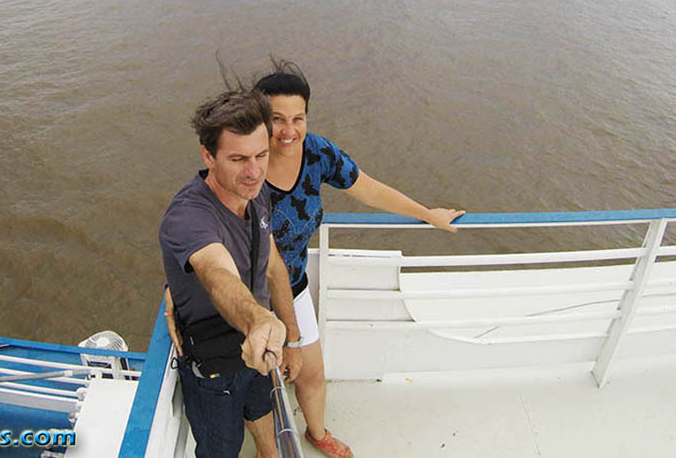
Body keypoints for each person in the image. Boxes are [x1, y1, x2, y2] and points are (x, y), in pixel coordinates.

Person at [255, 60, 464, 458]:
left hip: (294, 285)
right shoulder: (249, 162)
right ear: (258, 118)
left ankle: (317, 433)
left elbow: (367, 188)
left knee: (312, 373)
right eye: (276, 119)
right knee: (260, 384)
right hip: (249, 294)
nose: (288, 131)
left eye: (297, 118)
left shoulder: (316, 152)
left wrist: (426, 213)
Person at [159, 88, 304, 458]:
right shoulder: (188, 217)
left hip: (259, 351)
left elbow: (270, 263)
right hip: (216, 365)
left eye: (261, 155)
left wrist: (291, 337)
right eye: (238, 158)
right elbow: (216, 272)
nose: (254, 171)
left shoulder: (255, 191)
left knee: (262, 411)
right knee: (221, 448)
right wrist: (258, 321)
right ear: (208, 155)